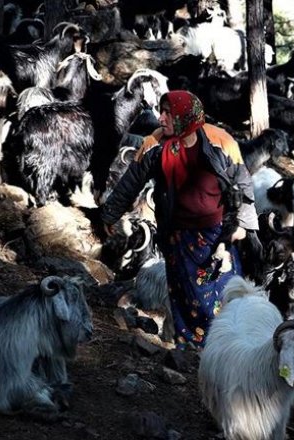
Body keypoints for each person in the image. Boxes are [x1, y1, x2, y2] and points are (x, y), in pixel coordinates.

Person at [101, 90, 259, 349]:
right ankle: (190, 346)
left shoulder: (221, 141)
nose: (161, 118)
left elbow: (242, 181)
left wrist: (242, 224)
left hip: (217, 234)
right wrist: (110, 213)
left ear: (187, 116)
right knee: (185, 294)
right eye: (161, 112)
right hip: (178, 236)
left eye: (168, 114)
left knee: (226, 290)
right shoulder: (156, 144)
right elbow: (132, 180)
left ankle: (226, 346)